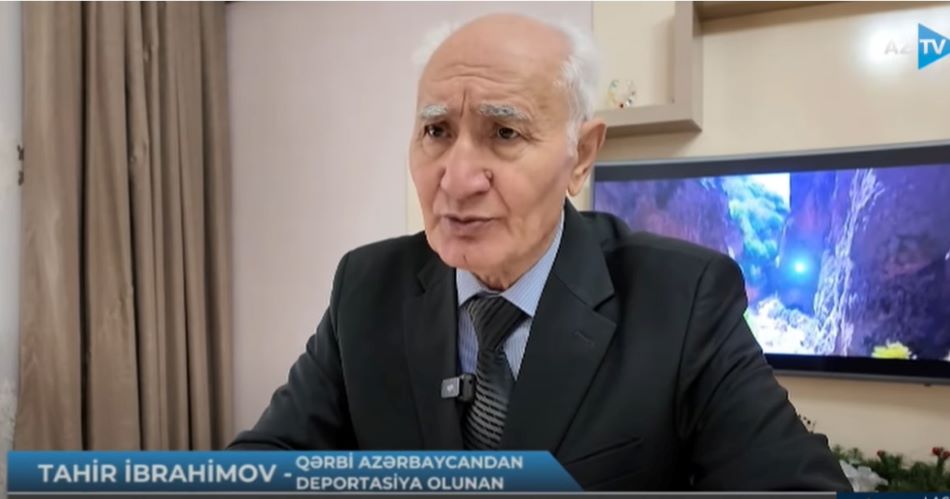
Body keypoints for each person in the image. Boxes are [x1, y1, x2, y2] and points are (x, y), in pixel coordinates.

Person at [229, 13, 851, 492]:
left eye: (504, 132)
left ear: (581, 155)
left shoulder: (682, 298)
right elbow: (262, 467)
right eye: (436, 130)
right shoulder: (366, 287)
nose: (457, 179)